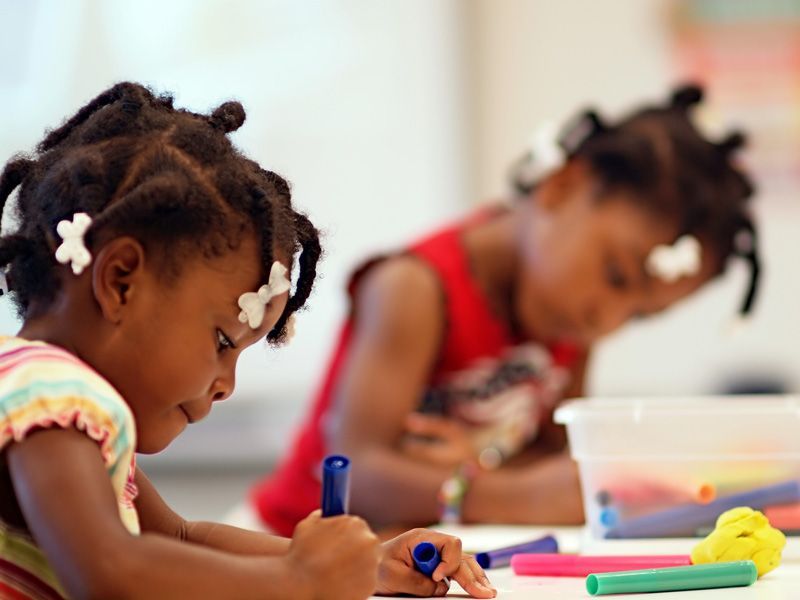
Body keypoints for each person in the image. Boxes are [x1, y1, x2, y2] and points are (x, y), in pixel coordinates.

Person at [0, 82, 495, 600]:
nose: (227, 385)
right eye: (221, 340)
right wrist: (298, 581)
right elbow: (110, 574)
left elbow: (182, 538)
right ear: (120, 281)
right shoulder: (51, 390)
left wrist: (369, 562)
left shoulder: (54, 401)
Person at [248, 85, 760, 536]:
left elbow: (556, 457)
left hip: (419, 555)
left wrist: (481, 471)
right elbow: (356, 470)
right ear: (562, 186)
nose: (608, 320)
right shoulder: (416, 288)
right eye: (616, 276)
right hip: (282, 550)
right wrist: (499, 492)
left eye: (640, 315)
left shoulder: (573, 319)